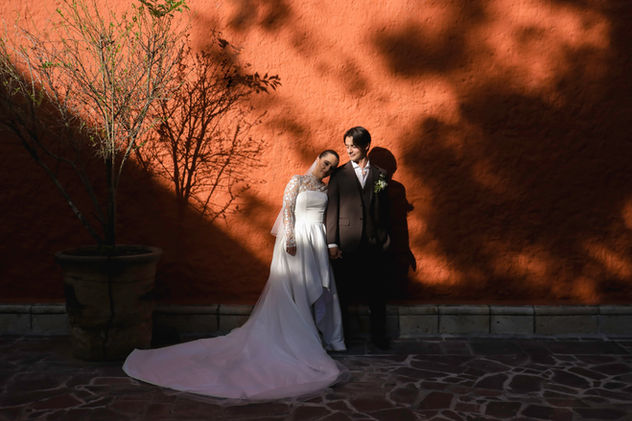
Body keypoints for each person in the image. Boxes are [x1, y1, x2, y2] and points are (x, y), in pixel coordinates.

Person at [123, 150, 346, 400]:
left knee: (314, 286)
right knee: (296, 290)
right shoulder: (298, 180)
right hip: (296, 241)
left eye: (332, 167)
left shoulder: (325, 189)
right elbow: (287, 209)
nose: (327, 169)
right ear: (317, 159)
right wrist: (290, 238)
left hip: (316, 241)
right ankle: (298, 338)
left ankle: (318, 334)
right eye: (325, 163)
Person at [326, 127, 391, 349]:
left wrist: (385, 239)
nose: (349, 150)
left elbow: (384, 210)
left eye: (353, 146)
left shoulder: (381, 175)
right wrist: (332, 243)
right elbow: (332, 209)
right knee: (344, 294)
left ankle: (379, 338)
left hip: (374, 243)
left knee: (377, 293)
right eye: (347, 146)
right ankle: (343, 338)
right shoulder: (339, 174)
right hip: (346, 243)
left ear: (366, 146)